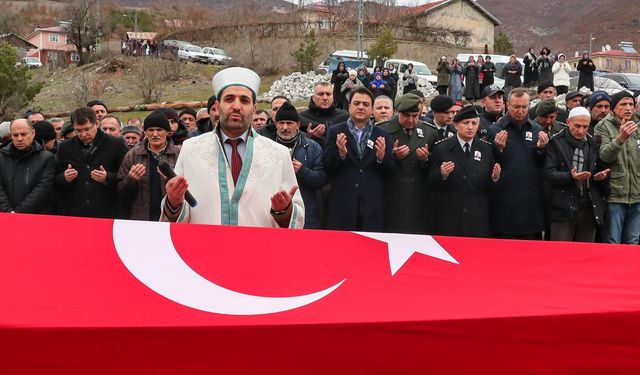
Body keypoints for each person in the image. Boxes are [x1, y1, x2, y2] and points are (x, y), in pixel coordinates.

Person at [161, 67, 304, 228]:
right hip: (203, 250)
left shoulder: (278, 154)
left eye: (244, 100)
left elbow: (297, 218)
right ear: (216, 106)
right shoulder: (191, 149)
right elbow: (181, 210)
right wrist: (173, 203)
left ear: (254, 108)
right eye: (229, 99)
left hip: (259, 250)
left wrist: (284, 211)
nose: (236, 106)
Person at [324, 87, 395, 231]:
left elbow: (391, 170)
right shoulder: (336, 131)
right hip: (343, 204)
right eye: (357, 103)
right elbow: (327, 166)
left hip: (372, 204)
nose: (361, 107)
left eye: (366, 104)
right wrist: (341, 155)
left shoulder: (382, 135)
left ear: (372, 109)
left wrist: (381, 158)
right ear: (349, 106)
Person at [428, 106, 501, 237]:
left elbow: (489, 188)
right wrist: (442, 175)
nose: (470, 127)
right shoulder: (442, 148)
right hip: (451, 216)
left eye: (474, 123)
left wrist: (495, 179)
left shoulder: (486, 149)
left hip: (477, 216)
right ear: (456, 125)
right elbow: (430, 182)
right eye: (466, 123)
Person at [487, 88, 548, 240]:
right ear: (508, 105)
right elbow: (488, 164)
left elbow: (542, 165)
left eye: (524, 107)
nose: (520, 111)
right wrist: (498, 149)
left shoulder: (536, 129)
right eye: (516, 107)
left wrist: (541, 149)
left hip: (530, 201)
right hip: (505, 201)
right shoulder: (495, 130)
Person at [545, 107, 609, 242]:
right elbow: (549, 174)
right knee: (560, 253)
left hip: (589, 207)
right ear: (568, 122)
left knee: (584, 255)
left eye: (585, 127)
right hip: (563, 207)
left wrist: (600, 177)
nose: (581, 131)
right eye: (577, 126)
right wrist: (570, 176)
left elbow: (598, 169)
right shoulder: (555, 142)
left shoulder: (593, 143)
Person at [54, 107, 128, 218]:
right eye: (78, 131)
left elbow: (125, 177)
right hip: (75, 213)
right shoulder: (65, 147)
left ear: (96, 124)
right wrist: (65, 178)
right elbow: (55, 179)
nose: (83, 134)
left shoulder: (115, 144)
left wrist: (107, 177)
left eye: (87, 129)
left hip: (107, 212)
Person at [378, 93, 435, 234]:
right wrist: (392, 156)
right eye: (406, 116)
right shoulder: (382, 129)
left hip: (416, 196)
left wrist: (425, 159)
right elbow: (373, 164)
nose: (411, 120)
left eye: (415, 116)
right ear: (397, 113)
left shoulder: (429, 132)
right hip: (390, 194)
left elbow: (435, 168)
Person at [117, 111, 181, 221]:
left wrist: (171, 179)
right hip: (141, 219)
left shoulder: (179, 153)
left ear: (167, 131)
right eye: (151, 130)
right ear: (145, 132)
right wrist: (131, 179)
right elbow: (120, 191)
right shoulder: (133, 155)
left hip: (172, 217)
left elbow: (190, 186)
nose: (155, 134)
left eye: (159, 130)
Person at [594, 91, 640, 244]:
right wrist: (621, 138)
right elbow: (604, 155)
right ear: (613, 108)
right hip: (615, 194)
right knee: (612, 242)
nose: (628, 108)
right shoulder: (603, 127)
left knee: (632, 242)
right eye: (623, 104)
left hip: (637, 195)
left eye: (631, 104)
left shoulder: (637, 126)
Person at [273, 102, 326, 229]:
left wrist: (303, 171)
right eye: (281, 123)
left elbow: (322, 179)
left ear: (298, 124)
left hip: (307, 214)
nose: (285, 127)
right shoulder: (267, 146)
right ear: (276, 125)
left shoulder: (313, 147)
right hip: (273, 214)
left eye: (289, 123)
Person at [0, 119, 55, 214]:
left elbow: (42, 189)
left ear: (33, 133)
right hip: (5, 216)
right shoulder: (1, 157)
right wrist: (8, 212)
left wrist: (18, 213)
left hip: (35, 217)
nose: (19, 139)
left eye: (24, 134)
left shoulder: (46, 158)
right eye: (15, 135)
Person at [299, 81, 350, 146]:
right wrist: (308, 137)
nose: (325, 98)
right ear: (313, 98)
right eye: (320, 94)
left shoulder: (344, 117)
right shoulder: (302, 118)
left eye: (328, 94)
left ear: (333, 97)